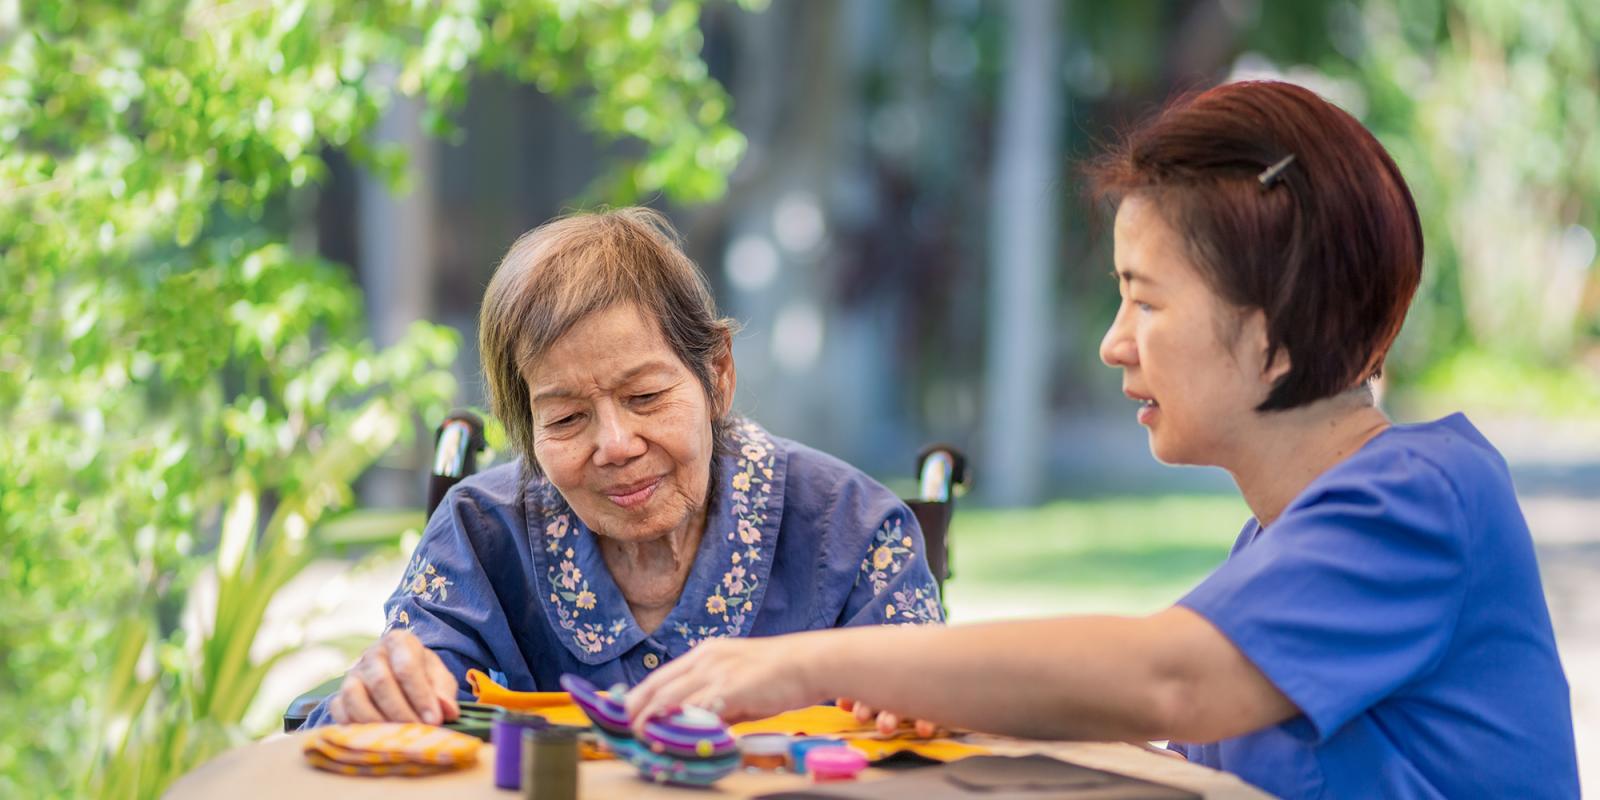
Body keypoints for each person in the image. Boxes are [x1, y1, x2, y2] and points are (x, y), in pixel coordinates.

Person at [625, 81, 1580, 798]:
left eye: (1144, 298)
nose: (1113, 342)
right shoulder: (1283, 544)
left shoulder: (1422, 499)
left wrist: (808, 661)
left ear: (1274, 325)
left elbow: (1167, 677)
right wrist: (961, 695)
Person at [303, 208, 943, 728]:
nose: (615, 444)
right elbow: (376, 713)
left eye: (645, 398)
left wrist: (913, 702)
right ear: (526, 431)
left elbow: (936, 713)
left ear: (717, 374)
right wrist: (385, 692)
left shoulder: (853, 529)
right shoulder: (480, 534)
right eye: (566, 418)